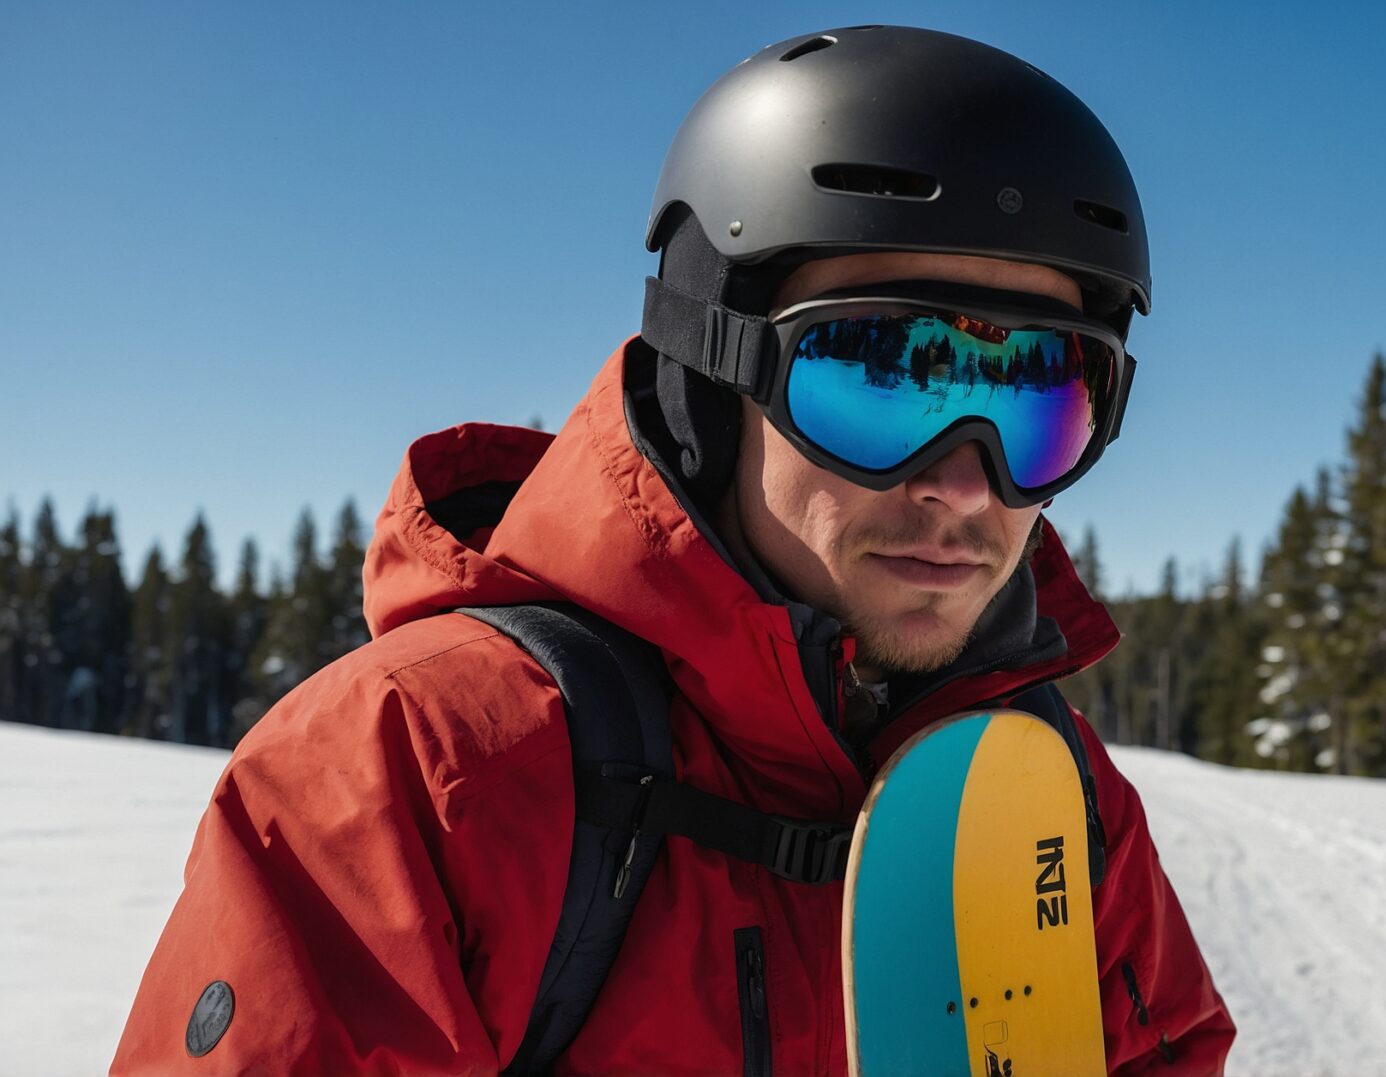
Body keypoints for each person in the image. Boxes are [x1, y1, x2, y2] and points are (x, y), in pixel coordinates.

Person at [114, 25, 1235, 1075]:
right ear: (715, 374)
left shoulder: (1043, 794)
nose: (960, 481)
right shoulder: (418, 772)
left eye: (1040, 393)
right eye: (881, 374)